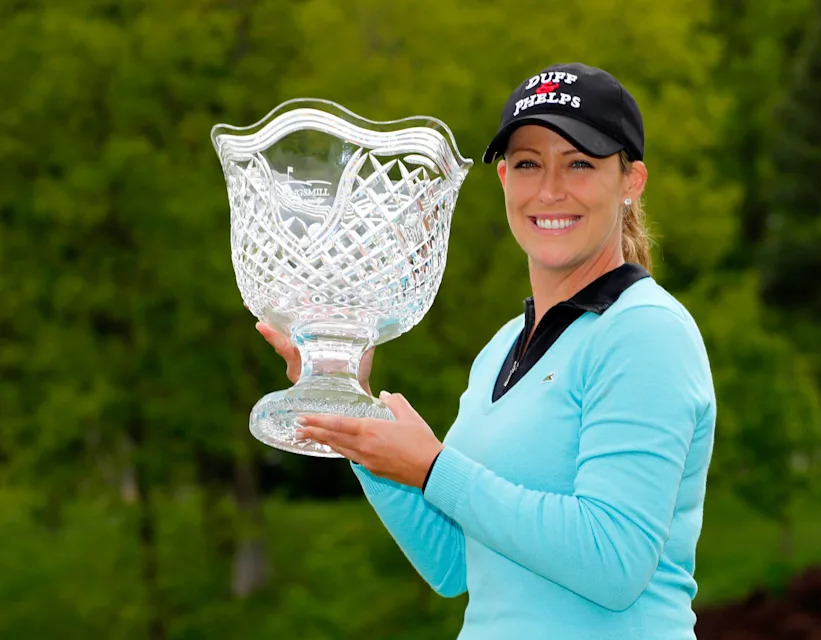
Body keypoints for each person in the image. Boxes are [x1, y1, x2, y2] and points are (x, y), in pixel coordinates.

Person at [258, 62, 716, 639]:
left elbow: (614, 562)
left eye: (580, 163)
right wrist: (352, 407)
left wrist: (431, 467)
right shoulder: (502, 347)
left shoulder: (645, 331)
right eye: (528, 164)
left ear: (631, 182)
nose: (550, 190)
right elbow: (454, 564)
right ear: (503, 180)